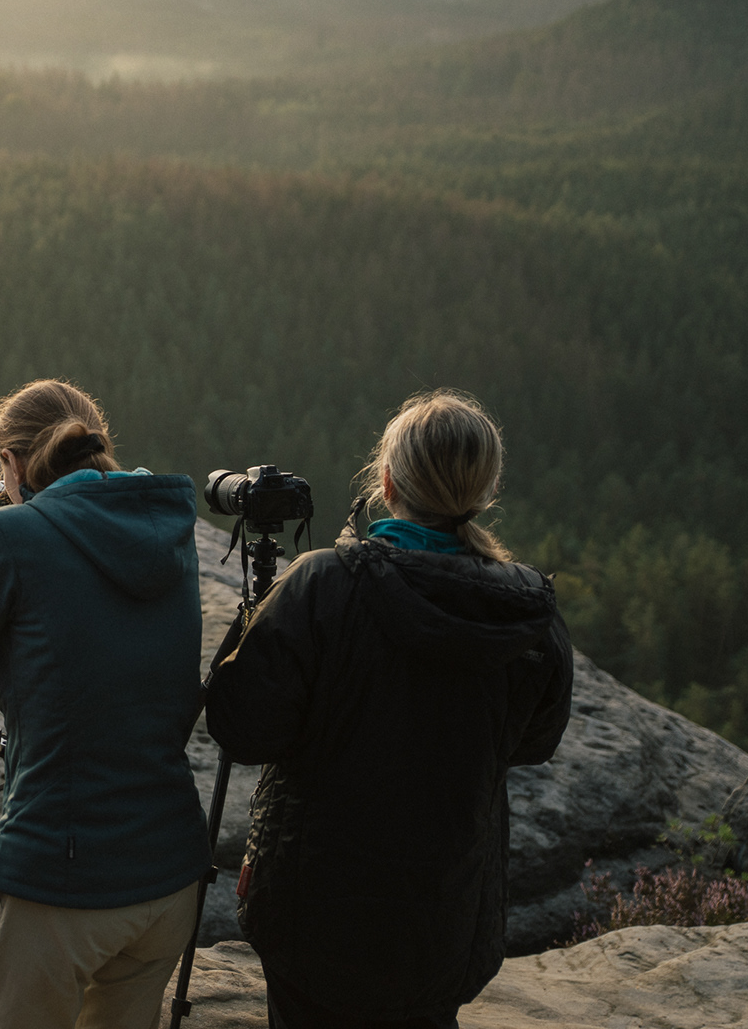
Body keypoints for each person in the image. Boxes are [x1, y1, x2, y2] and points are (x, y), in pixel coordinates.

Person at [206, 390, 573, 1029]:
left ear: (385, 483)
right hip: (446, 914)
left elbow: (242, 727)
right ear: (483, 490)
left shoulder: (324, 584)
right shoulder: (525, 612)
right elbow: (534, 741)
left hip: (314, 912)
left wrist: (256, 618)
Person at [0, 378, 210, 1029]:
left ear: (13, 465)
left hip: (64, 881)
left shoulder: (16, 539)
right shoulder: (168, 526)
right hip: (170, 874)